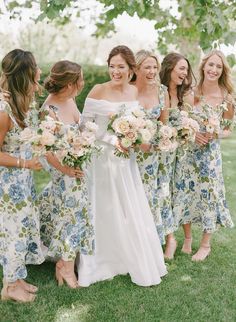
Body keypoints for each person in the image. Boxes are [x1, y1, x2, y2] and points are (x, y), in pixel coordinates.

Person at [77, 45, 167, 287]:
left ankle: (128, 258)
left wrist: (135, 139)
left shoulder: (133, 94)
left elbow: (138, 125)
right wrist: (112, 139)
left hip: (126, 161)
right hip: (102, 159)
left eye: (121, 67)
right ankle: (100, 261)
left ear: (130, 69)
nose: (115, 71)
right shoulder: (98, 90)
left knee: (128, 208)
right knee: (103, 206)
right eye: (112, 66)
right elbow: (85, 128)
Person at [172, 50, 234, 261]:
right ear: (203, 66)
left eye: (218, 67)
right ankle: (187, 238)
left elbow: (228, 129)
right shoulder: (190, 92)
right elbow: (181, 121)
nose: (214, 70)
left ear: (222, 70)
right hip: (189, 153)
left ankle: (205, 244)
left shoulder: (227, 97)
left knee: (209, 196)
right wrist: (193, 134)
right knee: (184, 192)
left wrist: (215, 132)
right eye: (211, 65)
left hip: (209, 156)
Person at [39, 60, 94, 288]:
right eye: (80, 79)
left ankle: (66, 261)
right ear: (70, 83)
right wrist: (66, 170)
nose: (82, 83)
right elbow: (47, 149)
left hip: (78, 168)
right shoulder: (48, 111)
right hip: (64, 173)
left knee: (77, 215)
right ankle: (66, 266)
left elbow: (80, 129)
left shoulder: (70, 100)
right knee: (72, 216)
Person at [0, 49, 44, 302]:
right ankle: (9, 287)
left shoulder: (21, 103)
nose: (38, 71)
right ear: (24, 73)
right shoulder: (3, 110)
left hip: (22, 182)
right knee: (11, 231)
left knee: (22, 229)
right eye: (34, 68)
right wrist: (25, 163)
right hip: (7, 185)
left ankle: (17, 279)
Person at [132, 50, 178, 259]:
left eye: (154, 67)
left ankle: (163, 239)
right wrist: (136, 141)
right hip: (131, 154)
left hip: (155, 156)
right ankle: (133, 241)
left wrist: (162, 139)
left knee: (157, 196)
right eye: (146, 67)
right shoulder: (128, 91)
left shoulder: (162, 91)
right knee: (133, 197)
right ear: (137, 68)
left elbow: (164, 123)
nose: (151, 71)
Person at [160, 52, 196, 256]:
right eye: (181, 68)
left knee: (180, 194)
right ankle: (169, 239)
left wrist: (188, 130)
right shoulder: (159, 91)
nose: (185, 73)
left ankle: (181, 238)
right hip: (163, 153)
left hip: (181, 154)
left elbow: (190, 122)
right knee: (164, 194)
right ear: (170, 68)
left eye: (186, 70)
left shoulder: (186, 94)